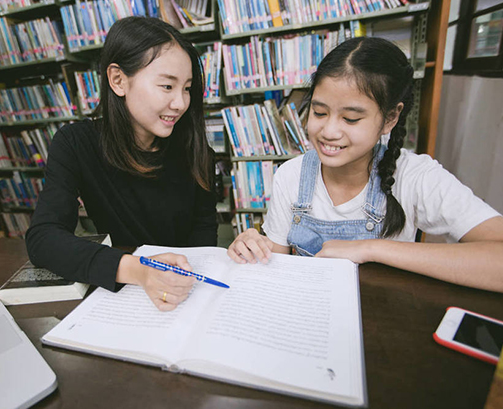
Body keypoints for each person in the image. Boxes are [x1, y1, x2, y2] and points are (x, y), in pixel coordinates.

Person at [228, 37, 503, 293]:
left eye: (350, 119)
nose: (329, 131)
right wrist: (253, 248)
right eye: (319, 112)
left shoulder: (415, 176)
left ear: (390, 118)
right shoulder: (291, 175)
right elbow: (275, 268)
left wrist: (371, 249)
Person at [26, 17, 218, 311]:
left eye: (187, 88)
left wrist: (178, 279)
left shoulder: (196, 150)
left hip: (181, 294)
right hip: (125, 294)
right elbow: (43, 238)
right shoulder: (75, 143)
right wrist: (137, 270)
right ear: (118, 80)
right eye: (167, 86)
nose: (180, 103)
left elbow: (204, 239)